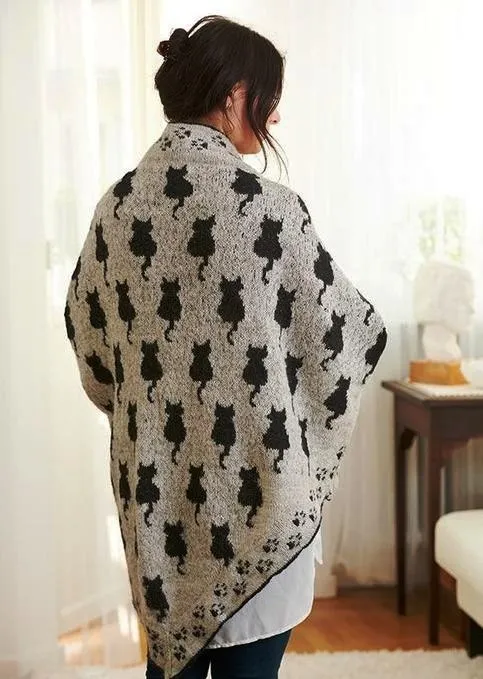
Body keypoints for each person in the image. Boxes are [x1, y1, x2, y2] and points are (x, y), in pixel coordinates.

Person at [64, 15, 387, 679]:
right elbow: (344, 340)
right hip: (261, 505)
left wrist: (157, 414)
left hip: (158, 505)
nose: (274, 117)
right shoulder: (272, 211)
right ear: (237, 95)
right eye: (270, 99)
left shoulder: (115, 209)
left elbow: (92, 353)